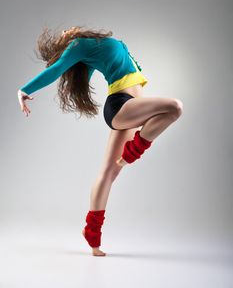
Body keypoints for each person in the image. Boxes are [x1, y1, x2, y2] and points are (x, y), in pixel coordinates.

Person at [17, 25, 183, 256]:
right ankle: (134, 151)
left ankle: (92, 236)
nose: (66, 29)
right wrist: (24, 90)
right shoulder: (77, 45)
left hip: (131, 109)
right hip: (121, 106)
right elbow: (55, 70)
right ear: (66, 43)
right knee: (174, 107)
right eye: (64, 34)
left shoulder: (91, 47)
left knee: (109, 172)